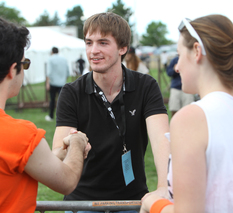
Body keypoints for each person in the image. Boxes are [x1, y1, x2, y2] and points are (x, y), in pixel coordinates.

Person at [0, 17, 90, 213]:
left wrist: (55, 155)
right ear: (11, 70)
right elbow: (67, 182)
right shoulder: (21, 135)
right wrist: (78, 142)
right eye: (24, 64)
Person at [140, 15, 233, 213]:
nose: (177, 66)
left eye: (179, 54)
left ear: (197, 52)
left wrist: (151, 203)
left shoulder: (191, 118)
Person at [52, 12, 170, 207]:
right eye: (89, 43)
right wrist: (69, 146)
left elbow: (161, 140)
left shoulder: (145, 86)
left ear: (123, 48)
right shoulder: (72, 92)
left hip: (132, 200)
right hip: (82, 203)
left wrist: (163, 185)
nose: (93, 51)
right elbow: (57, 153)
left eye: (103, 43)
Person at [45, 47, 70, 121]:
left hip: (53, 83)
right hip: (62, 83)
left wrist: (47, 83)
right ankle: (63, 117)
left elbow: (48, 72)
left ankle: (51, 116)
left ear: (52, 52)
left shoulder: (50, 59)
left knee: (52, 100)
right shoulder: (64, 59)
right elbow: (67, 72)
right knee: (62, 101)